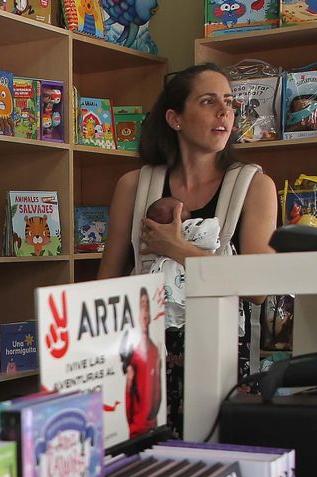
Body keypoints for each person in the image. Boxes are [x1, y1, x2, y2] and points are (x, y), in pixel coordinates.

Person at [98, 64, 278, 434]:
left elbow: (259, 290)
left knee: (210, 461)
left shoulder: (254, 186)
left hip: (220, 359)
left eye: (228, 102)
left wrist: (178, 249)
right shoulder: (134, 185)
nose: (225, 112)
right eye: (209, 101)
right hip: (142, 359)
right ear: (174, 118)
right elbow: (106, 284)